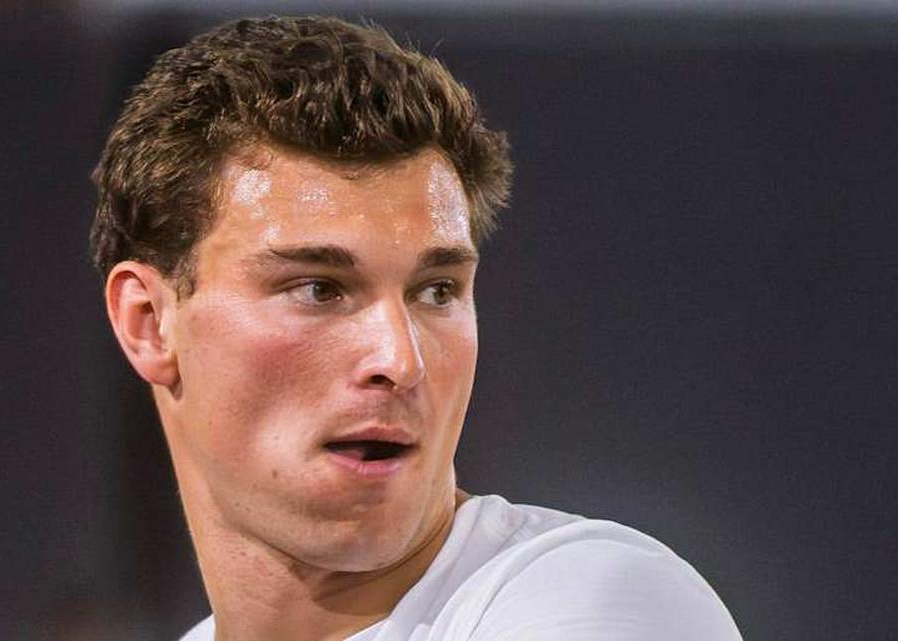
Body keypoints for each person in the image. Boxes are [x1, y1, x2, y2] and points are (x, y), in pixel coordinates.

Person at [90, 15, 742, 641]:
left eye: (436, 291)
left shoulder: (596, 600)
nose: (400, 360)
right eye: (319, 288)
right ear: (150, 323)